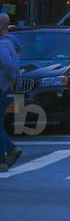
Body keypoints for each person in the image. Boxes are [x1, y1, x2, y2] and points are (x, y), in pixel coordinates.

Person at [0, 13, 21, 172]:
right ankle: (8, 152)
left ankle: (4, 157)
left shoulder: (2, 45)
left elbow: (9, 67)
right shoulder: (10, 44)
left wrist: (6, 82)